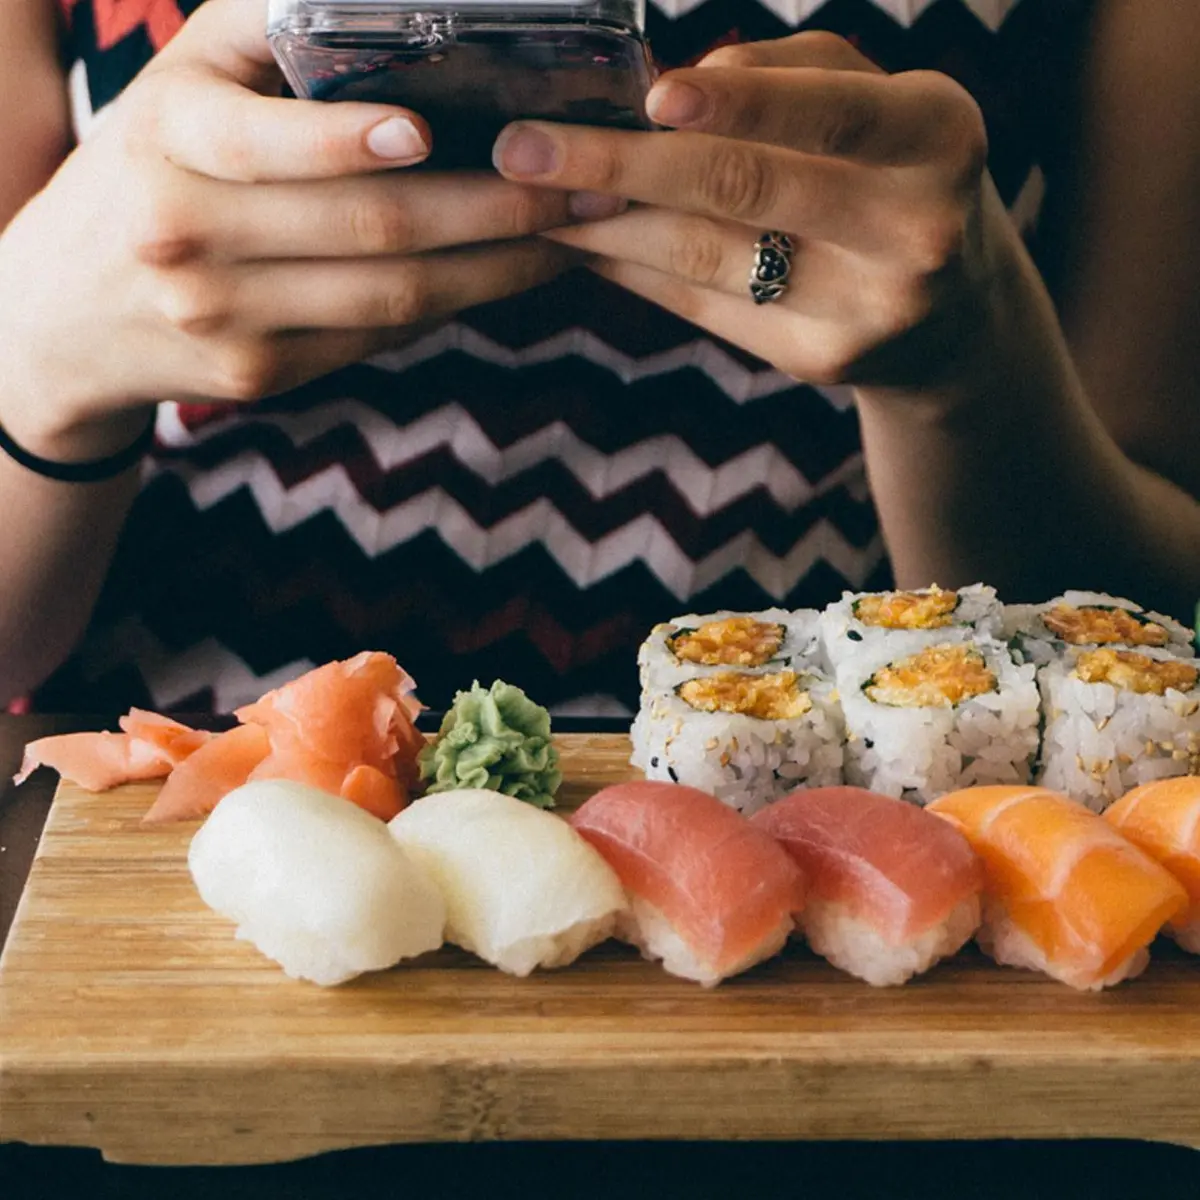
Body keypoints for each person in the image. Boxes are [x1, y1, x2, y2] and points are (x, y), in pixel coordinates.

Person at [0, 0, 1198, 718]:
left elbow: (1156, 634)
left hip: (840, 815)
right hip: (164, 834)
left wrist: (966, 372)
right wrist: (37, 366)